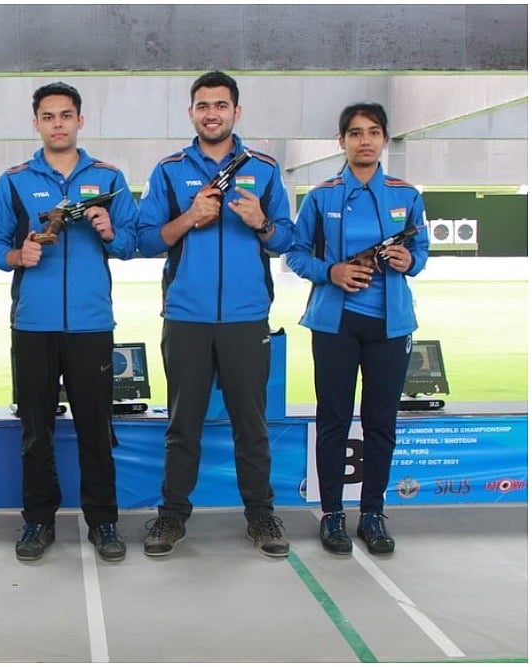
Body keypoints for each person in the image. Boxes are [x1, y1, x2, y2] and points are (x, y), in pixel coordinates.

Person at [137, 71, 295, 558]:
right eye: (203, 105)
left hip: (247, 317)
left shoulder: (264, 169)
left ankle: (261, 514)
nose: (212, 113)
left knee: (252, 424)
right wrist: (190, 217)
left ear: (236, 112)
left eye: (221, 105)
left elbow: (287, 239)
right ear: (191, 113)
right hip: (187, 316)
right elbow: (144, 240)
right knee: (183, 424)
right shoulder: (169, 171)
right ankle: (171, 515)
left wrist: (260, 222)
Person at [0, 82, 139, 562]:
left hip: (92, 324)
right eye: (48, 116)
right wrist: (18, 255)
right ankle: (38, 520)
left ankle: (104, 521)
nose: (58, 124)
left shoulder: (109, 177)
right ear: (36, 124)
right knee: (36, 431)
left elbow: (133, 242)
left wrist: (110, 232)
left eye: (66, 115)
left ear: (80, 121)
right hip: (34, 325)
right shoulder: (13, 180)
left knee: (96, 429)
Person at [285, 102, 429, 555]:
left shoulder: (407, 195)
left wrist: (410, 260)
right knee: (333, 420)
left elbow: (422, 252)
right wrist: (332, 272)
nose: (364, 140)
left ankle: (372, 513)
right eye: (355, 133)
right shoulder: (322, 196)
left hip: (390, 326)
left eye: (373, 132)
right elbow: (295, 254)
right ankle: (331, 514)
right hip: (335, 325)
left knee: (380, 423)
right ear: (341, 141)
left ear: (384, 139)